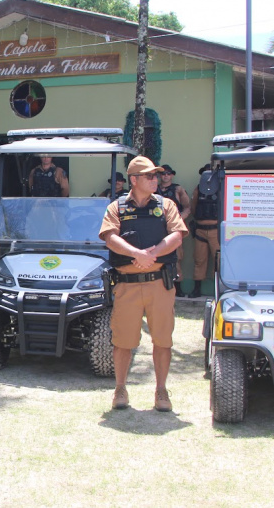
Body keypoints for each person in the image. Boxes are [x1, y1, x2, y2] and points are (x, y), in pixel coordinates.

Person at [98, 156, 187, 413]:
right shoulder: (117, 207)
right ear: (134, 180)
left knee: (163, 340)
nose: (155, 179)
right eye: (149, 176)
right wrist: (138, 254)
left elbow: (177, 236)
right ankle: (120, 389)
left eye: (156, 175)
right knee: (123, 341)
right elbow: (110, 238)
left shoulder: (166, 204)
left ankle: (161, 390)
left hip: (160, 283)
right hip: (127, 284)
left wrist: (153, 254)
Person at [158, 164, 191, 297]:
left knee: (176, 258)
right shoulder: (153, 189)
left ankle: (178, 287)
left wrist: (177, 221)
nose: (165, 176)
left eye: (168, 173)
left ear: (172, 175)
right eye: (163, 173)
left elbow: (187, 208)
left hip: (173, 229)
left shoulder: (178, 189)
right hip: (157, 228)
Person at [190, 164, 220, 299]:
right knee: (199, 260)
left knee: (219, 261)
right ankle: (197, 289)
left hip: (216, 230)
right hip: (201, 230)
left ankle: (220, 289)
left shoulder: (221, 188)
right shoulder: (198, 189)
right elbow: (193, 207)